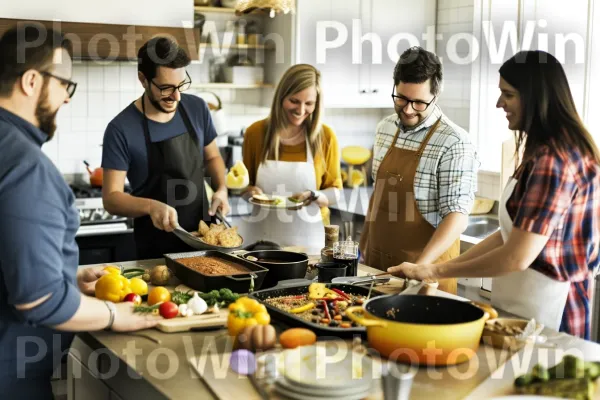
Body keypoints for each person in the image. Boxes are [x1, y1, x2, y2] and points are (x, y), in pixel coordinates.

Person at [388, 50, 600, 339]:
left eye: (508, 94)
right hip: (526, 301)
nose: (499, 103)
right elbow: (508, 234)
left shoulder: (554, 161)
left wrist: (435, 272)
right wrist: (433, 268)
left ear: (536, 98)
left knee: (542, 383)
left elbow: (516, 257)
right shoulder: (543, 151)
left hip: (552, 309)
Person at [0, 26, 161, 398]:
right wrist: (116, 316)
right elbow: (36, 300)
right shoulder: (26, 167)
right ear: (30, 81)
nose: (67, 99)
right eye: (64, 85)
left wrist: (65, 277)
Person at [359, 47, 479, 294]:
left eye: (419, 102)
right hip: (375, 269)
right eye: (401, 98)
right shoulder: (384, 129)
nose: (409, 109)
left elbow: (456, 216)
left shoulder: (455, 142)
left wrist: (420, 267)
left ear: (436, 95)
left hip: (425, 280)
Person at [102, 37, 230, 259]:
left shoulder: (197, 108)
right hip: (155, 254)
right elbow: (111, 198)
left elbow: (212, 158)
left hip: (206, 248)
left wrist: (222, 189)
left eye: (181, 85)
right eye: (166, 88)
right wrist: (151, 207)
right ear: (143, 79)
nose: (176, 96)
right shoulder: (120, 128)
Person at [241, 64, 343, 253]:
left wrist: (313, 195)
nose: (301, 110)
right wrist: (250, 192)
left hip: (311, 243)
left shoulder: (326, 137)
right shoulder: (255, 133)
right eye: (294, 101)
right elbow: (244, 188)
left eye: (309, 104)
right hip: (262, 243)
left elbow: (336, 192)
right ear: (281, 97)